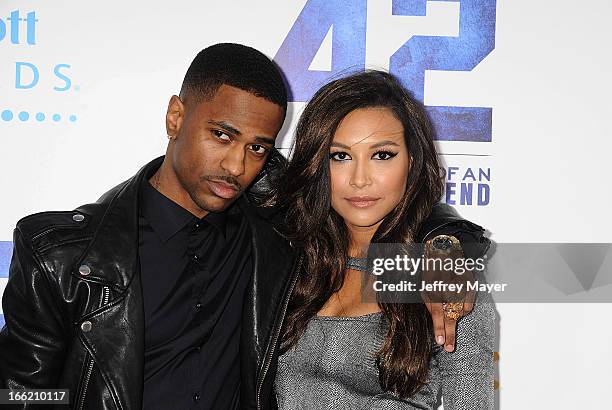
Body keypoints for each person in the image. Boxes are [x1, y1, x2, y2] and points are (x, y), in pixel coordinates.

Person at [0, 43, 487, 409]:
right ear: (176, 117)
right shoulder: (63, 256)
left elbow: (391, 209)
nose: (236, 166)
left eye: (257, 147)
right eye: (221, 135)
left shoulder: (273, 230)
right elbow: (23, 393)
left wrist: (447, 246)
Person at [271, 70, 495, 409]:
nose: (360, 180)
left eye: (382, 155)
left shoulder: (446, 278)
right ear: (318, 163)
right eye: (340, 156)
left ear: (412, 162)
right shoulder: (287, 261)